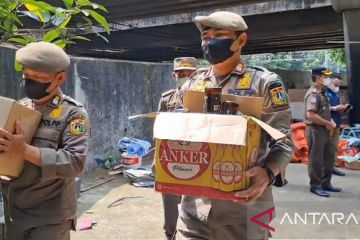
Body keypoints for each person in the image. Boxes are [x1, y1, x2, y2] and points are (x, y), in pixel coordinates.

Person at [176, 11, 294, 240]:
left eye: (219, 35)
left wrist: (268, 172)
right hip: (194, 212)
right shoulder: (192, 83)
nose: (210, 42)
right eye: (206, 37)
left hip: (244, 211)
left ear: (241, 40)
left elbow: (284, 141)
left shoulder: (264, 83)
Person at [0, 42, 89, 240]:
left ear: (60, 77)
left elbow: (75, 162)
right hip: (14, 211)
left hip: (49, 217)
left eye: (39, 78)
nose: (30, 83)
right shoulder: (18, 108)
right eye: (27, 76)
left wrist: (24, 149)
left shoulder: (73, 113)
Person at [158, 57, 197, 239]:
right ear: (174, 75)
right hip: (172, 155)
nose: (184, 76)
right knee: (170, 200)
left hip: (196, 156)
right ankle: (170, 234)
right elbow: (159, 129)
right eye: (180, 73)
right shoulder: (167, 98)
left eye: (188, 74)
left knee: (196, 201)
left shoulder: (204, 98)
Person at [304, 67, 341, 198]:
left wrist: (330, 121)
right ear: (318, 77)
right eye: (325, 76)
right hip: (315, 130)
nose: (327, 79)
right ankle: (315, 185)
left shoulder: (323, 92)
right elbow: (311, 115)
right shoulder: (313, 94)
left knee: (329, 156)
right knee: (316, 159)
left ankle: (326, 183)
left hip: (325, 130)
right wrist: (327, 123)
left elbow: (324, 111)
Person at [325, 75, 347, 176]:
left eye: (340, 81)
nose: (339, 83)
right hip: (329, 124)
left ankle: (333, 166)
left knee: (334, 146)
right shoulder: (325, 93)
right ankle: (326, 167)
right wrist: (335, 108)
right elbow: (323, 108)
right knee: (328, 147)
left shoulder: (336, 94)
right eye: (338, 80)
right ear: (332, 80)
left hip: (337, 123)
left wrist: (343, 108)